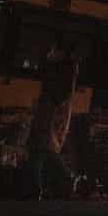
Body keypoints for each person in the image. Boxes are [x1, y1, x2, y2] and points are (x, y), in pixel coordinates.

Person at [25, 45, 79, 200]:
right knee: (41, 151)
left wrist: (47, 104)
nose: (50, 53)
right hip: (47, 110)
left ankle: (39, 188)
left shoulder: (63, 70)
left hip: (48, 111)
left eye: (53, 51)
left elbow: (58, 92)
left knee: (41, 150)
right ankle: (42, 187)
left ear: (60, 54)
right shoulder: (65, 68)